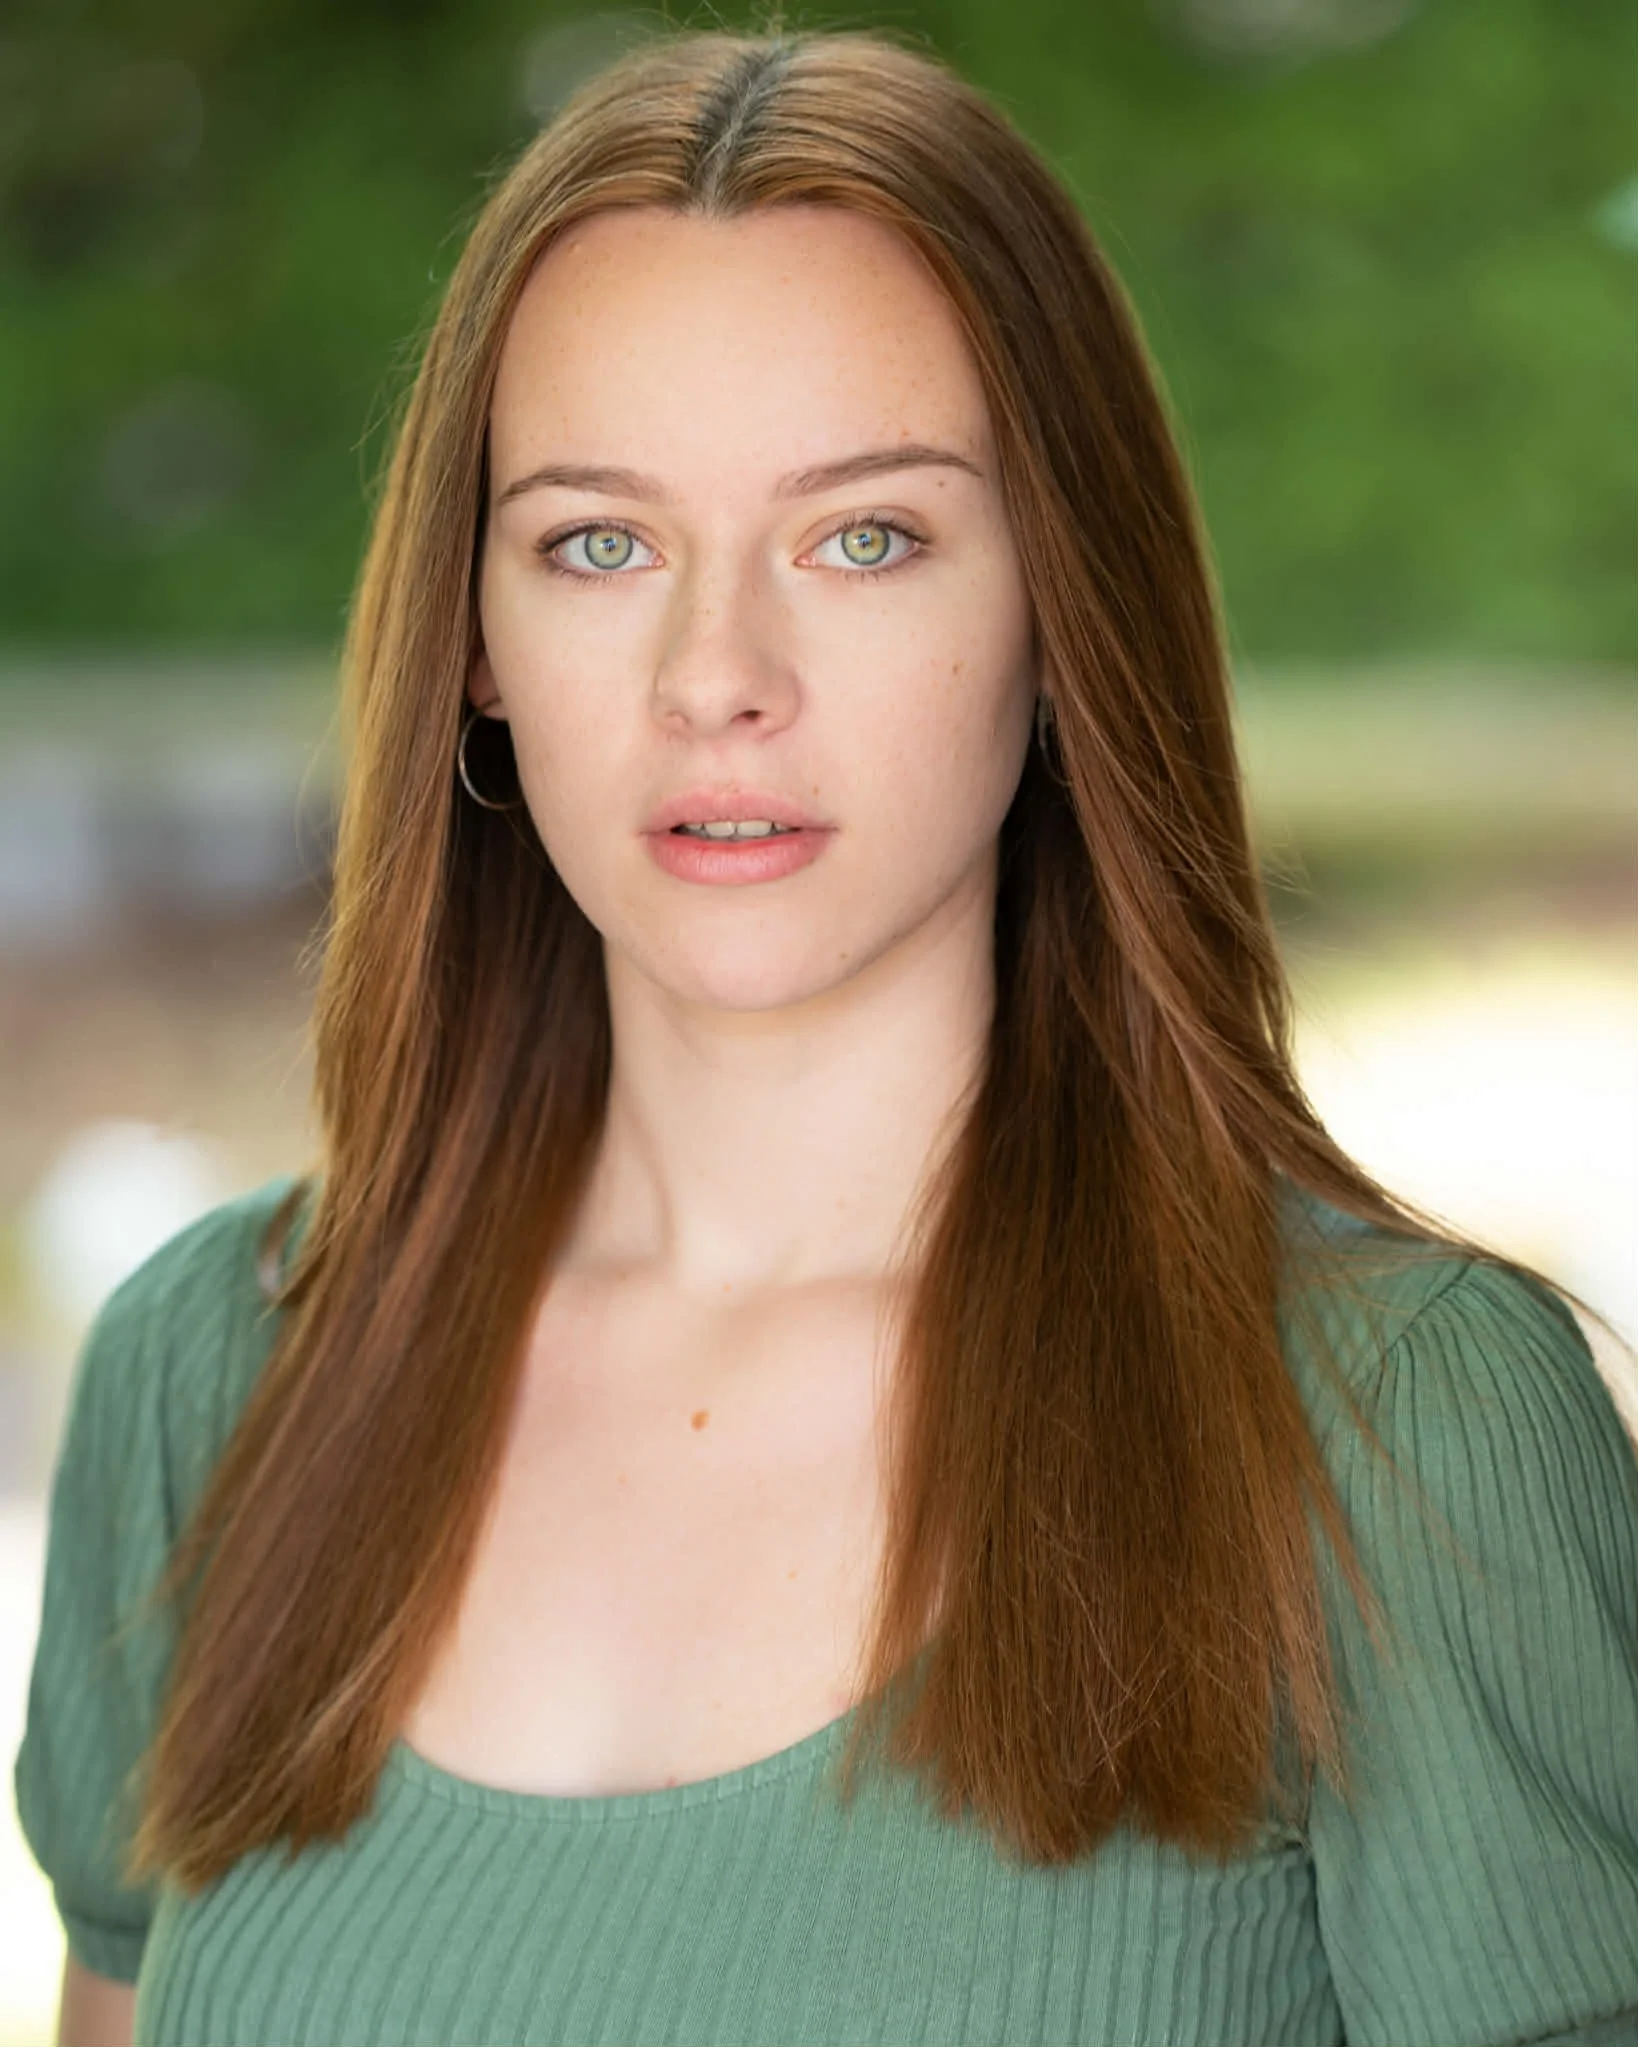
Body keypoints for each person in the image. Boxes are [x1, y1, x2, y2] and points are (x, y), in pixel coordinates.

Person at [15, 23, 1638, 2047]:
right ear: (476, 642)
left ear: (1059, 611)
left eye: (864, 537)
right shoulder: (217, 1372)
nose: (718, 676)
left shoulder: (1402, 1433)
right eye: (598, 542)